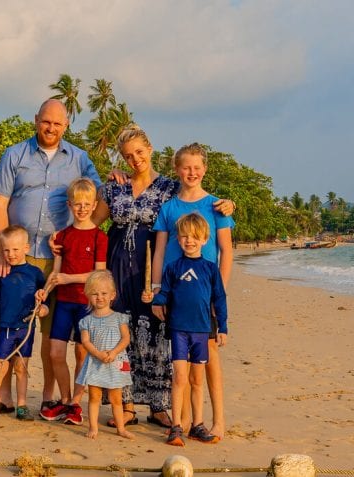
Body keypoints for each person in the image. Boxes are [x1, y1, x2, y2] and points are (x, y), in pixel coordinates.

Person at [89, 125, 234, 429]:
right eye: (128, 156)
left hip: (155, 270)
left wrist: (230, 204)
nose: (135, 159)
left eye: (139, 152)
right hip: (118, 267)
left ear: (151, 150)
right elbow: (91, 222)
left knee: (156, 335)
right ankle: (125, 404)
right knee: (121, 332)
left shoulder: (169, 188)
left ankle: (158, 405)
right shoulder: (114, 186)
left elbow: (198, 203)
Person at [0, 99, 101, 415]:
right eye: (46, 122)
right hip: (18, 256)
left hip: (59, 260)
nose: (50, 128)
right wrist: (2, 248)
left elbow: (100, 197)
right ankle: (5, 396)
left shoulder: (79, 159)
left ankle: (48, 397)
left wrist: (83, 234)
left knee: (53, 334)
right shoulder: (15, 154)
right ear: (36, 120)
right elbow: (0, 203)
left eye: (57, 124)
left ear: (66, 126)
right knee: (10, 325)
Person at [149, 142, 234, 439]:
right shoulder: (168, 208)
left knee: (209, 354)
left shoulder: (216, 206)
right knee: (180, 359)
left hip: (205, 293)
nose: (192, 172)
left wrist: (217, 295)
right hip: (175, 292)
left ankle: (218, 420)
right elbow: (159, 252)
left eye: (197, 167)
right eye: (186, 167)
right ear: (177, 169)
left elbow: (226, 251)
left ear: (205, 170)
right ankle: (183, 420)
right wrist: (157, 290)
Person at [145, 213, 228, 446]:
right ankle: (177, 426)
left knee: (197, 380)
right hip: (178, 331)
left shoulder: (210, 269)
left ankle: (197, 425)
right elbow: (164, 293)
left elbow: (220, 299)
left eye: (194, 237)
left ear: (204, 239)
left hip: (201, 332)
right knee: (180, 377)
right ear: (177, 239)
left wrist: (222, 327)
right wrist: (155, 300)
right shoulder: (173, 268)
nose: (189, 240)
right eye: (184, 236)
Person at [36, 178, 107, 425]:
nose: (82, 208)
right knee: (56, 353)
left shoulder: (99, 237)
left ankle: (76, 403)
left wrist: (69, 278)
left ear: (94, 204)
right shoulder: (62, 236)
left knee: (81, 355)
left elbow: (99, 274)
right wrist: (45, 290)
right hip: (63, 302)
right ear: (69, 205)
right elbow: (56, 273)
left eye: (87, 204)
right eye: (77, 204)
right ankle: (65, 401)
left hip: (86, 304)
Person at [0, 225, 48, 423]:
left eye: (15, 249)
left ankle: (22, 405)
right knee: (0, 366)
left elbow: (44, 298)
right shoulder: (3, 273)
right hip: (6, 327)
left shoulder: (35, 273)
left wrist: (43, 307)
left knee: (21, 368)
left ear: (26, 248)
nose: (11, 254)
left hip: (26, 328)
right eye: (6, 250)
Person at [75, 270, 134, 440]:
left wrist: (114, 352)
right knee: (94, 396)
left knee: (116, 398)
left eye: (103, 293)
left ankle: (121, 428)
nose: (99, 297)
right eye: (94, 294)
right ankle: (93, 427)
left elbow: (126, 338)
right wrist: (99, 354)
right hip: (96, 362)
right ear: (88, 296)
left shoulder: (119, 318)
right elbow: (85, 342)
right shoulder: (86, 321)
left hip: (115, 362)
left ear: (112, 295)